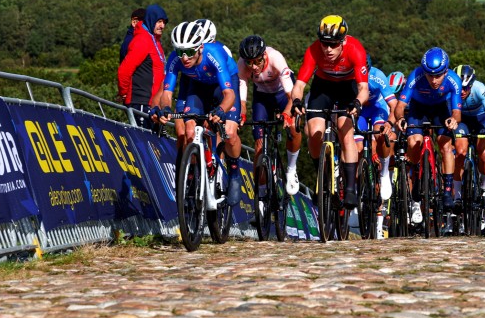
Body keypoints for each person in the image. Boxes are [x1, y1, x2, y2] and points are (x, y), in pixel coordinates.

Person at [158, 19, 244, 205]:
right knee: (190, 130)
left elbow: (228, 95)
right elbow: (166, 93)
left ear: (200, 48)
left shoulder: (214, 54)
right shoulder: (176, 59)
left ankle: (235, 173)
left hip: (222, 87)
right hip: (198, 85)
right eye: (180, 52)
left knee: (229, 132)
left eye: (189, 52)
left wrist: (221, 110)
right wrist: (165, 108)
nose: (184, 58)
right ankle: (194, 176)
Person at [290, 15, 369, 209]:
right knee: (315, 130)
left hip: (347, 88)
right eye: (325, 44)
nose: (328, 49)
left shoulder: (356, 50)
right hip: (323, 86)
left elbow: (363, 88)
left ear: (342, 41)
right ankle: (322, 174)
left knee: (345, 130)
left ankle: (350, 189)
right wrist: (297, 101)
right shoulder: (314, 50)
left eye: (333, 45)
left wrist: (357, 103)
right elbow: (299, 84)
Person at [393, 47, 463, 222]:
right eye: (429, 75)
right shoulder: (416, 76)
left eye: (438, 76)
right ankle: (417, 175)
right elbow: (400, 106)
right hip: (418, 109)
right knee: (413, 143)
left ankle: (447, 190)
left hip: (441, 109)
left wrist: (453, 120)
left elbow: (456, 111)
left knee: (446, 145)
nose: (433, 80)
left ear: (446, 71)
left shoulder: (454, 80)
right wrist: (401, 118)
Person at [236, 34, 302, 196]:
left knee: (294, 126)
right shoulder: (242, 64)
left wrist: (287, 112)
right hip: (262, 97)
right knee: (259, 145)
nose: (254, 66)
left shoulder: (276, 58)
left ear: (264, 55)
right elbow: (242, 88)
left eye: (258, 61)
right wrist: (242, 109)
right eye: (249, 63)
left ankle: (291, 169)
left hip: (283, 94)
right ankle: (261, 195)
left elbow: (291, 97)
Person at [453, 64, 485, 209]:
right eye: (460, 88)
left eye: (466, 88)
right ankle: (457, 195)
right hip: (462, 120)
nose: (462, 92)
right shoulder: (451, 89)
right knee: (460, 153)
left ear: (471, 85)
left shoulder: (480, 88)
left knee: (484, 153)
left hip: (481, 120)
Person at [117, 4, 168, 130]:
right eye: (159, 22)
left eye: (164, 22)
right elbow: (124, 71)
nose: (163, 26)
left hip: (154, 104)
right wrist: (124, 94)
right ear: (151, 19)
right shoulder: (142, 40)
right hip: (141, 102)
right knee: (142, 145)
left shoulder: (155, 40)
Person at [359, 55, 398, 201]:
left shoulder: (377, 76)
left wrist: (389, 123)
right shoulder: (348, 76)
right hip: (360, 110)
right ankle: (357, 198)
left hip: (377, 108)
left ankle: (384, 174)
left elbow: (394, 106)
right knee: (356, 149)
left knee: (381, 135)